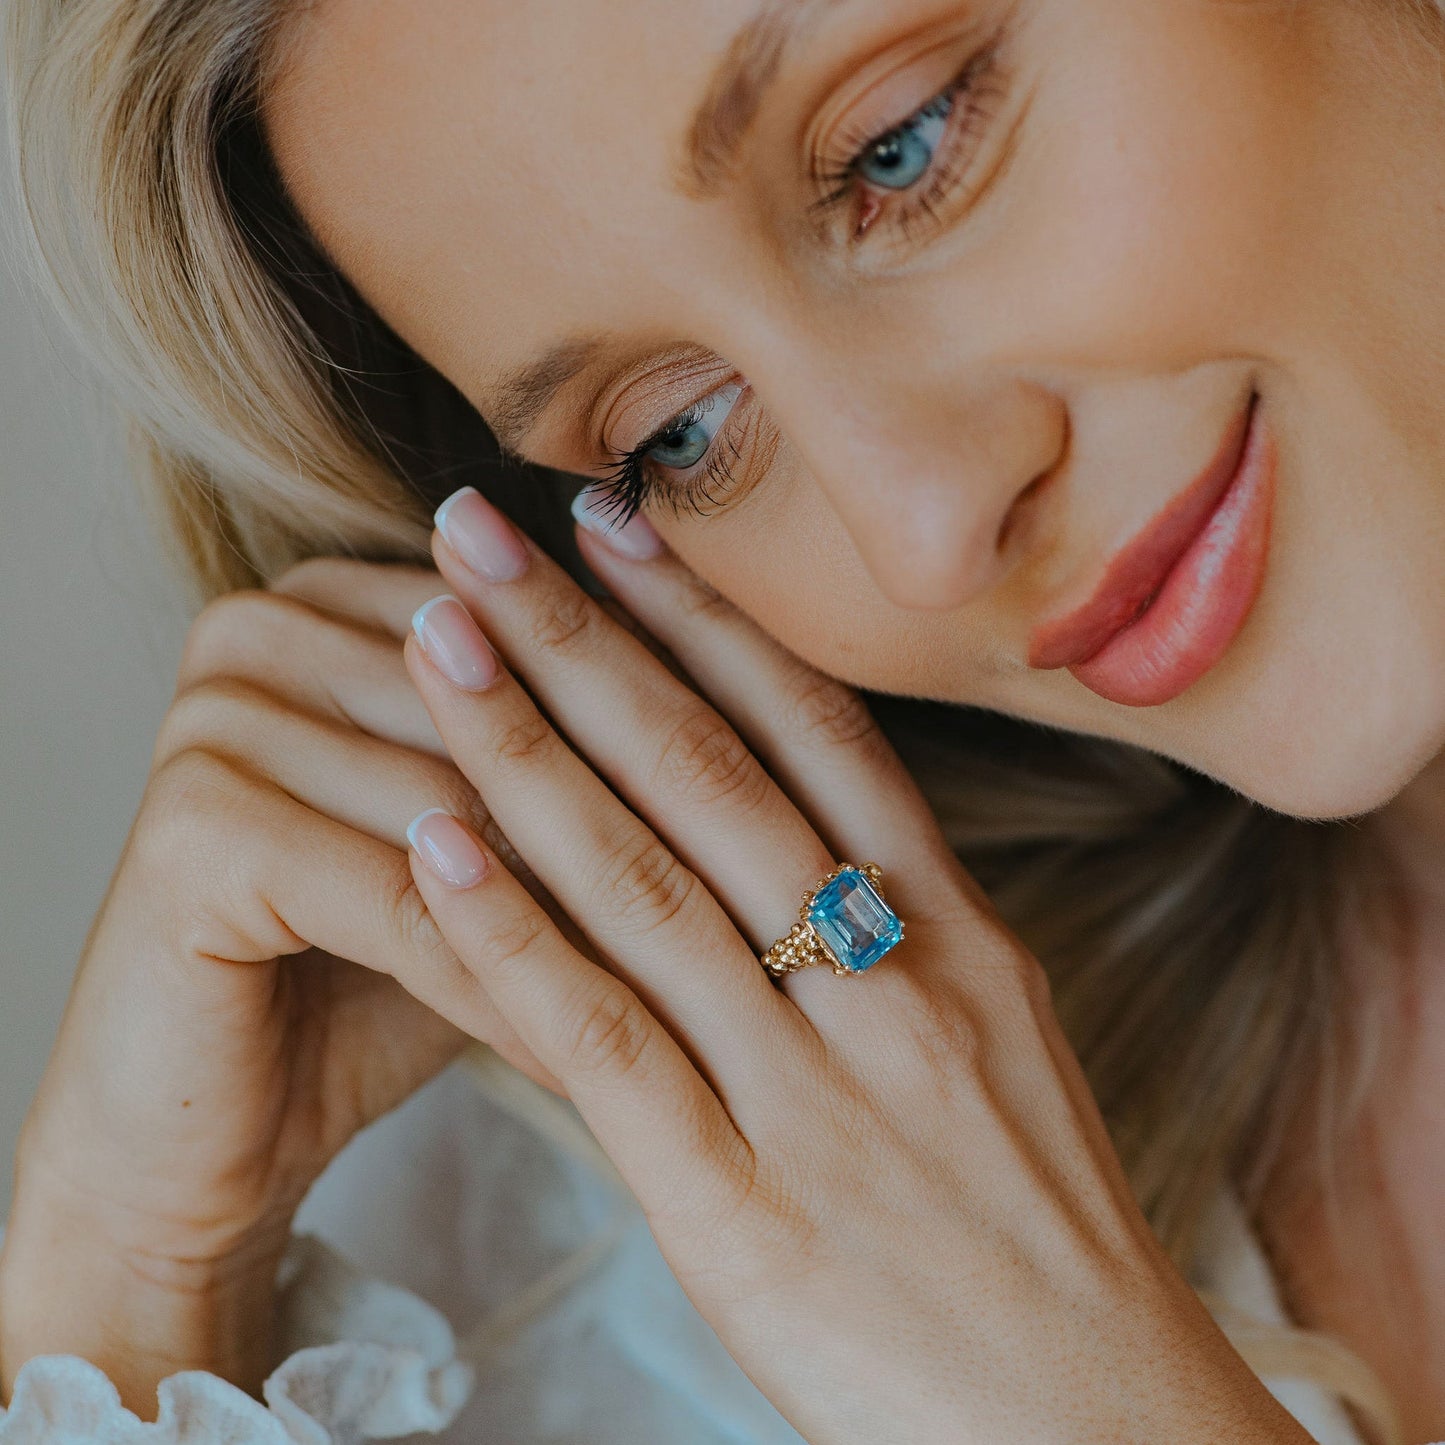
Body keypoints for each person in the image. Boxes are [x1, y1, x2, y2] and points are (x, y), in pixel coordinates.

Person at [1, 0, 1443, 1439]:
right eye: (676, 434)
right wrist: (137, 1295)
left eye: (901, 148)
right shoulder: (671, 1263)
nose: (921, 530)